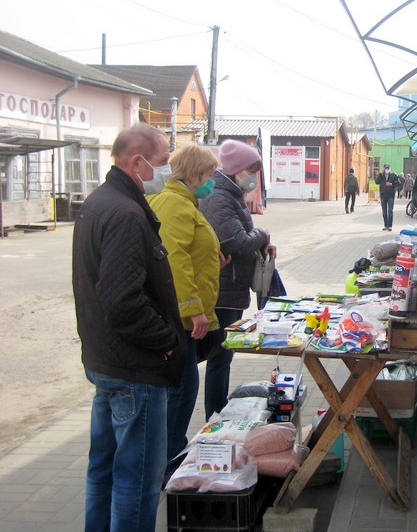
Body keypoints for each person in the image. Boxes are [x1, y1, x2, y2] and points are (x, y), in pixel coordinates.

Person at [72, 123, 186, 531]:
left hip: (108, 361)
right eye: (162, 163)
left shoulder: (100, 202)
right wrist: (168, 342)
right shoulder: (124, 213)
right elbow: (122, 302)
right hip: (134, 369)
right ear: (137, 163)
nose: (167, 171)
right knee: (136, 482)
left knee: (103, 471)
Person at [147, 143, 226, 468]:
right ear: (193, 175)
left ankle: (170, 456)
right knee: (181, 391)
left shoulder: (184, 203)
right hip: (179, 318)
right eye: (209, 175)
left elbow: (189, 251)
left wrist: (211, 259)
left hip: (183, 316)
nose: (212, 181)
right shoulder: (174, 204)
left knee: (183, 389)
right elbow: (173, 259)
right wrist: (193, 308)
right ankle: (166, 462)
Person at [199, 140, 276, 420]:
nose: (252, 176)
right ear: (236, 169)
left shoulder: (230, 193)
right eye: (250, 170)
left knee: (224, 354)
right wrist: (263, 235)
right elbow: (237, 241)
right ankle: (216, 415)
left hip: (231, 284)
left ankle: (218, 411)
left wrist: (261, 244)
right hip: (223, 287)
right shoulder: (219, 197)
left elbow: (244, 235)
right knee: (221, 355)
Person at [375, 163, 401, 231]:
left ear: (390, 169)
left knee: (390, 211)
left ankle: (389, 226)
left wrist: (392, 184)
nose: (387, 169)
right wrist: (380, 174)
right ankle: (385, 225)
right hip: (383, 195)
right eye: (386, 168)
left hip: (390, 195)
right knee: (384, 211)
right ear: (383, 168)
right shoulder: (381, 176)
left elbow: (399, 183)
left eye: (388, 168)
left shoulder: (393, 175)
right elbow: (377, 182)